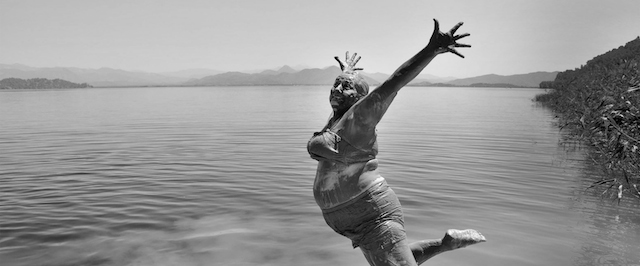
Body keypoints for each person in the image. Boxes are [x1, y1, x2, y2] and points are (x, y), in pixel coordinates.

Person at [307, 19, 485, 266]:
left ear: (360, 98)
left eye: (345, 86)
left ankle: (446, 243)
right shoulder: (336, 120)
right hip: (351, 222)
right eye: (335, 84)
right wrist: (348, 71)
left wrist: (431, 49)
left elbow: (394, 83)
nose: (337, 89)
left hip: (372, 215)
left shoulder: (361, 115)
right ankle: (447, 243)